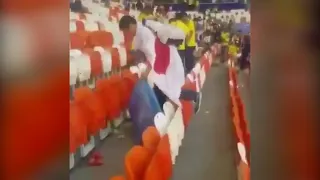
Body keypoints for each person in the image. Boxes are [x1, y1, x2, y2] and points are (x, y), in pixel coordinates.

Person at [119, 16, 184, 109]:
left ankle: (164, 111)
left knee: (165, 89)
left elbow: (152, 56)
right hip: (164, 60)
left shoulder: (144, 33)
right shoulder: (139, 32)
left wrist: (146, 73)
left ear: (130, 26)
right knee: (168, 89)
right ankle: (164, 111)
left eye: (125, 32)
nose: (126, 34)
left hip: (166, 61)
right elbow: (136, 49)